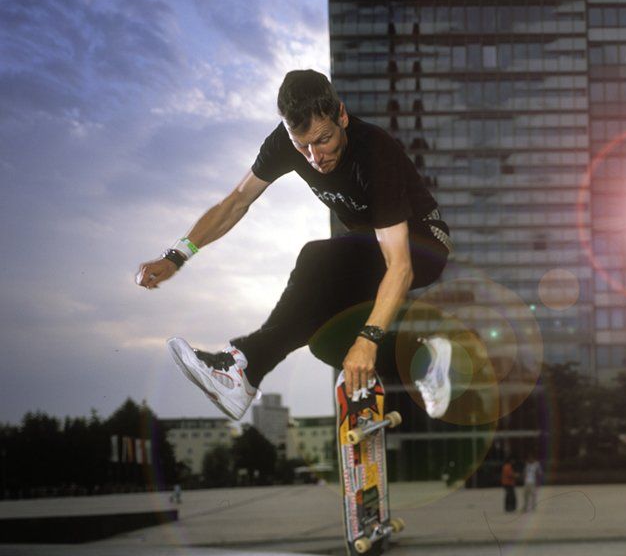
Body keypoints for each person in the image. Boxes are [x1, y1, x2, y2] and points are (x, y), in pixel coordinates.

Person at [136, 70, 453, 419]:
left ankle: (245, 368)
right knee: (325, 339)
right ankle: (423, 361)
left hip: (423, 244)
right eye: (303, 146)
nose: (316, 158)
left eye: (323, 140)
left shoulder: (375, 152)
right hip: (368, 251)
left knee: (316, 259)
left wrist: (369, 339)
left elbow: (401, 267)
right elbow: (236, 202)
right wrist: (177, 255)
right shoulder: (285, 144)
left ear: (342, 116)